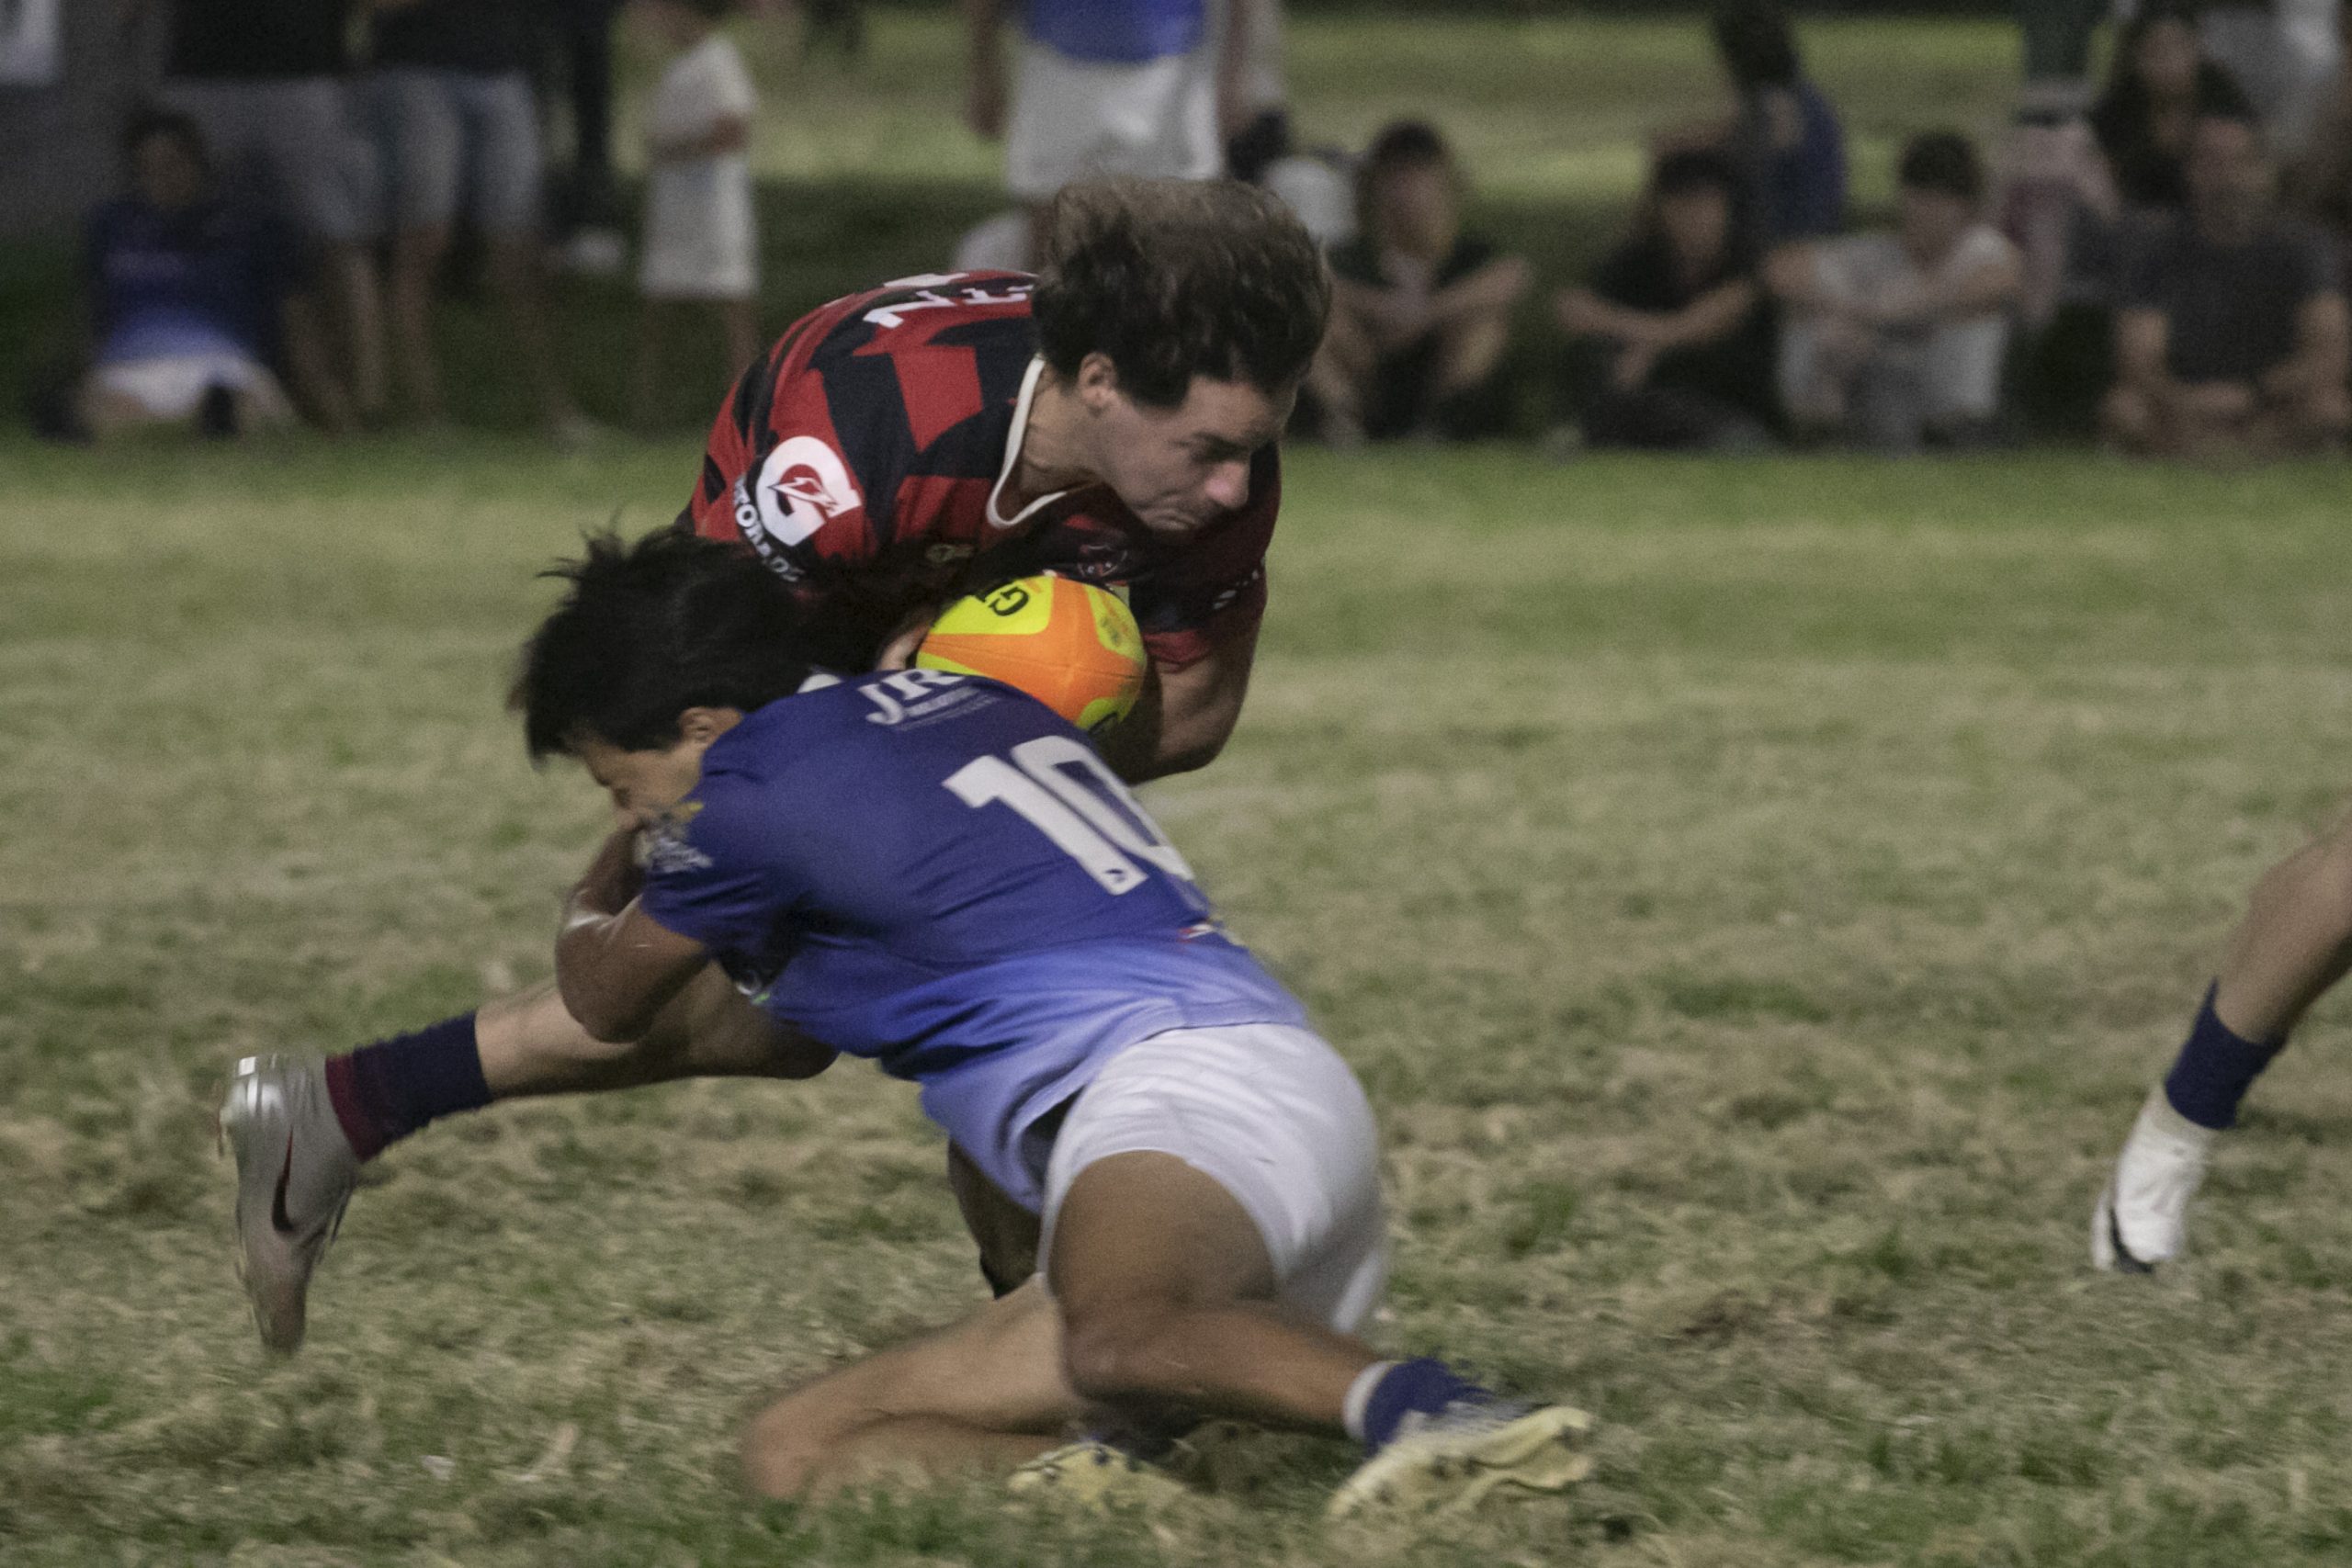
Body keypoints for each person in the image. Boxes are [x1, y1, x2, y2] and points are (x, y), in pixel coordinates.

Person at [224, 530, 1594, 1513]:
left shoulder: (748, 796)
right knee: (798, 1451)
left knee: (1117, 1325)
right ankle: (1137, 1493)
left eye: (617, 778)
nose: (628, 813)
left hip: (1189, 1114)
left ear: (703, 720)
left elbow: (603, 997)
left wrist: (602, 893)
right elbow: (756, 1029)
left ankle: (1444, 1412)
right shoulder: (961, 700)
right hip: (1234, 1123)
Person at [211, 175, 1333, 1347]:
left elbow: (1195, 714)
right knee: (811, 1008)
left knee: (977, 959)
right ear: (1098, 381)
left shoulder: (1214, 470)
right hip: (773, 649)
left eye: (1257, 448)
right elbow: (715, 715)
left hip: (926, 665)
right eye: (1209, 449)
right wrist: (901, 728)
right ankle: (1084, 1357)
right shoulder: (859, 436)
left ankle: (330, 1110)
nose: (1234, 489)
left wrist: (984, 724)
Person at [138, 0, 383, 425]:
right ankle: (208, 390)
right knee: (195, 233)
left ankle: (363, 399)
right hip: (204, 69)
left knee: (337, 238)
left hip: (304, 70)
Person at [369, 0, 594, 438]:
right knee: (423, 240)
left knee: (519, 249)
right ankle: (425, 412)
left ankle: (556, 410)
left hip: (500, 65)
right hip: (418, 68)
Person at [2100, 107, 2350, 457]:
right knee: (2126, 410)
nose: (2227, 177)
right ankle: (2234, 457)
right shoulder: (2157, 249)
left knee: (2329, 409)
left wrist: (2255, 394)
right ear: (2190, 172)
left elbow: (2329, 351)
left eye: (2240, 163)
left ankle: (2228, 456)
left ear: (2265, 172)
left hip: (2272, 403)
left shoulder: (2304, 247)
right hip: (2182, 406)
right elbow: (2138, 357)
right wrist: (2186, 401)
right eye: (2211, 162)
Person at [73, 111, 339, 440]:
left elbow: (296, 322)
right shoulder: (112, 227)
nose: (162, 179)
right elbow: (93, 316)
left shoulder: (250, 227)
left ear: (198, 163)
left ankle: (210, 419)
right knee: (109, 422)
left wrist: (333, 406)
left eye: (172, 164)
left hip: (225, 365)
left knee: (257, 416)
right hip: (131, 365)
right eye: (147, 170)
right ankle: (185, 428)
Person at [1769, 130, 2022, 450]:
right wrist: (1848, 310)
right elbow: (1781, 270)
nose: (1924, 211)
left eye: (1938, 200)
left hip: (1955, 405)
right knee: (1812, 322)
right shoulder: (1880, 252)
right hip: (1875, 382)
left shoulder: (1980, 250)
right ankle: (1818, 428)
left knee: (1966, 322)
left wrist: (1895, 309)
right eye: (1917, 196)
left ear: (1965, 206)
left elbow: (1998, 283)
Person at [961, 0, 1242, 267]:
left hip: (1175, 61)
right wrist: (984, 72)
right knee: (1051, 242)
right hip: (1057, 64)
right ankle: (1048, 317)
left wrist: (1239, 71)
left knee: (1179, 242)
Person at [1306, 121, 1531, 445]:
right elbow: (1316, 278)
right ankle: (1347, 417)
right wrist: (1380, 308)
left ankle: (1441, 422)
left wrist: (1426, 314)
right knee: (1319, 321)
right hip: (1371, 365)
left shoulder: (1466, 255)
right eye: (1395, 178)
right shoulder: (1358, 256)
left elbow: (1510, 278)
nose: (1405, 192)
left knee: (1485, 325)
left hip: (1436, 366)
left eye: (1417, 178)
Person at [1556, 148, 1778, 452]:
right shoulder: (1638, 263)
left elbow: (1693, 327)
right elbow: (1574, 312)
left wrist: (1644, 342)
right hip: (1647, 399)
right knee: (1594, 355)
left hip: (1725, 402)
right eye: (1682, 205)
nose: (1693, 217)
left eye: (1704, 204)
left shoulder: (1748, 265)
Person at [628, 0, 761, 429]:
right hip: (678, 211)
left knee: (730, 306)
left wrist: (670, 151)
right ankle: (649, 411)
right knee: (660, 309)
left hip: (713, 210)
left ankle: (745, 414)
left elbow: (732, 129)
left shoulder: (718, 60)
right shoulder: (682, 66)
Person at [1668, 0, 1846, 245]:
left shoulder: (1775, 106)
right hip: (1809, 237)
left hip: (1786, 247)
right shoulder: (1802, 97)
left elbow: (1751, 161)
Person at [2091, 4, 2256, 213]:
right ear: (2135, 58)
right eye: (2155, 51)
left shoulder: (2222, 95)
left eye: (2180, 47)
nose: (2169, 63)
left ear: (2198, 47)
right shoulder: (2117, 110)